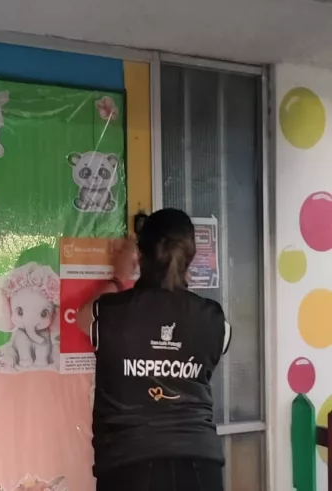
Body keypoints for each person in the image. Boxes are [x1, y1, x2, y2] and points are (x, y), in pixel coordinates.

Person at [77, 208, 231, 491]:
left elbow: (82, 319)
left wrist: (118, 277)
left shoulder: (114, 313)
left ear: (140, 256)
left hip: (129, 465)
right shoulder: (214, 320)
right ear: (190, 257)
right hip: (200, 466)